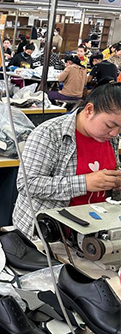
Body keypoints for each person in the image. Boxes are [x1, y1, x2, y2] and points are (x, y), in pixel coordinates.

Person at [12, 84, 121, 234]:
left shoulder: (109, 138)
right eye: (110, 125)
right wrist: (85, 183)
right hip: (49, 233)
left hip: (93, 228)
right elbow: (27, 184)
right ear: (89, 110)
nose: (115, 133)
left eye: (120, 129)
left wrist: (115, 181)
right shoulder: (49, 134)